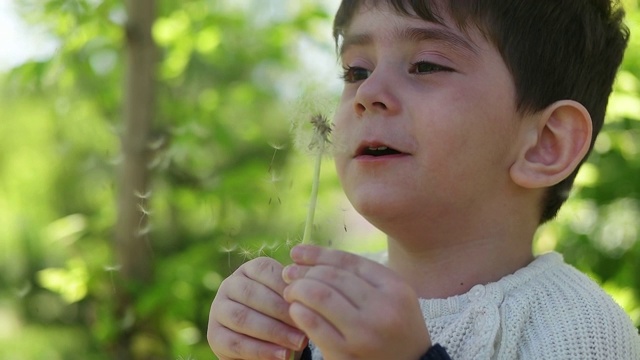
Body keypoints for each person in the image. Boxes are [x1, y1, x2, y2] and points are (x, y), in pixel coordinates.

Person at [207, 0, 640, 359]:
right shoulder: (317, 308)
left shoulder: (583, 331)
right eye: (357, 70)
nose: (367, 93)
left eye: (426, 66)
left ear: (546, 143)